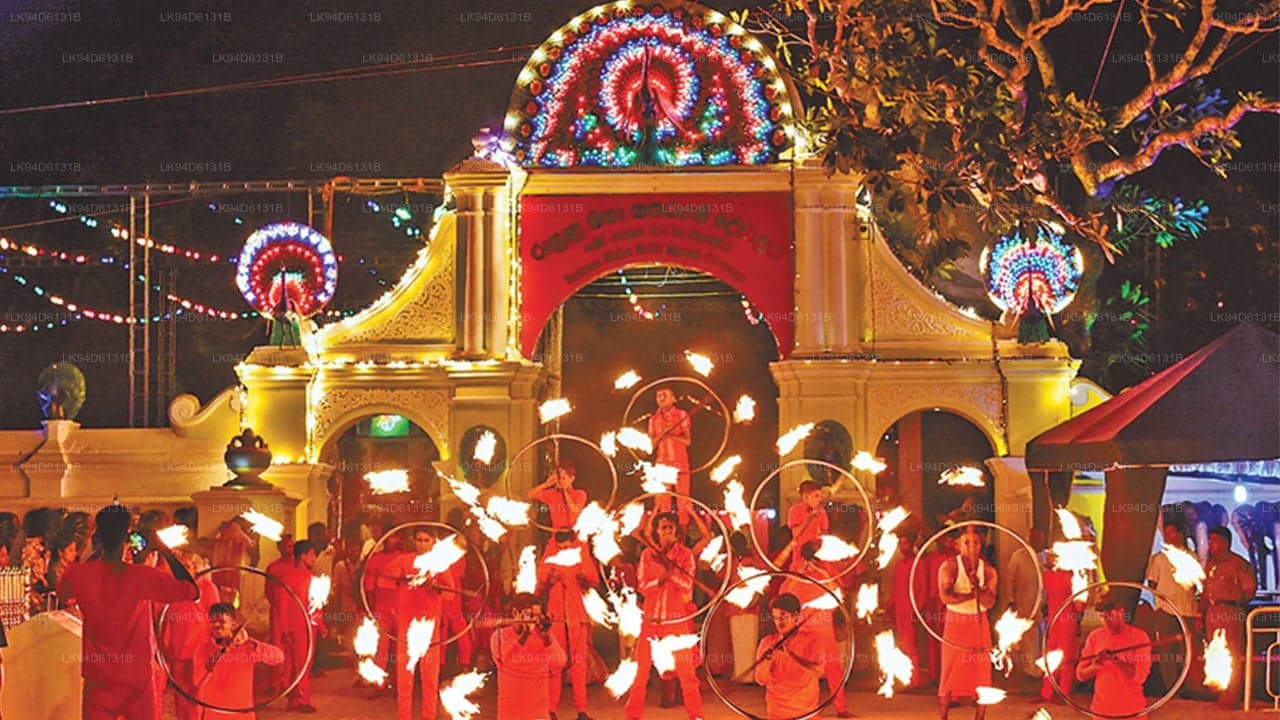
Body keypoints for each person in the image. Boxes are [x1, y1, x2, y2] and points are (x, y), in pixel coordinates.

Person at [57, 504, 199, 720]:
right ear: (127, 538)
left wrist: (95, 552)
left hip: (99, 678)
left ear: (97, 537)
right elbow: (191, 591)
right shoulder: (142, 577)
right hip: (137, 679)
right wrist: (164, 550)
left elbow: (63, 594)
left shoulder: (80, 574)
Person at [624, 512, 704, 720]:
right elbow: (642, 586)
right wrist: (661, 579)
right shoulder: (647, 555)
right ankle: (632, 716)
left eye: (670, 527)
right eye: (663, 527)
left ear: (676, 530)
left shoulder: (685, 555)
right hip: (651, 621)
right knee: (641, 672)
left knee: (687, 674)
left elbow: (687, 585)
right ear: (657, 531)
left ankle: (696, 716)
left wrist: (673, 574)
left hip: (676, 622)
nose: (667, 531)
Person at [384, 528, 452, 720]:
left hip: (430, 631)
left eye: (426, 540)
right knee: (404, 682)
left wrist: (436, 588)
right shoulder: (403, 561)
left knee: (430, 681)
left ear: (433, 542)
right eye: (419, 540)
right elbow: (384, 582)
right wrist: (403, 581)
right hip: (406, 629)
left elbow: (450, 594)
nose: (422, 544)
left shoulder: (440, 566)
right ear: (413, 541)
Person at [779, 542, 853, 718]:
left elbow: (838, 593)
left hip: (823, 628)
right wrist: (798, 575)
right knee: (805, 672)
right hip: (804, 631)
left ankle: (840, 708)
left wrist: (821, 572)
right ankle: (805, 709)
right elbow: (783, 595)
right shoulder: (796, 575)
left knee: (833, 668)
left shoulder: (825, 573)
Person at [937, 527, 996, 720]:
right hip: (955, 623)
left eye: (976, 543)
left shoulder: (988, 571)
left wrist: (979, 589)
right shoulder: (949, 567)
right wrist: (971, 594)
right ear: (958, 545)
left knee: (981, 671)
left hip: (979, 623)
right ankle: (944, 716)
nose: (972, 547)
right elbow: (946, 597)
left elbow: (990, 602)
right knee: (950, 669)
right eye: (967, 543)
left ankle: (979, 717)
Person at [539, 530, 598, 720]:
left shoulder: (582, 555)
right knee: (555, 665)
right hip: (556, 619)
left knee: (579, 664)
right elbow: (538, 588)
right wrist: (550, 580)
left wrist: (584, 579)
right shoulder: (549, 558)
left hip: (577, 619)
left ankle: (581, 711)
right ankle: (551, 710)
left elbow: (594, 583)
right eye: (560, 544)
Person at [190, 603, 285, 719]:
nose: (216, 625)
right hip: (214, 714)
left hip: (242, 714)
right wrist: (217, 656)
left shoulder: (248, 647)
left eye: (221, 621)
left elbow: (278, 657)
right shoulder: (203, 649)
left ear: (233, 624)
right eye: (212, 621)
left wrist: (253, 644)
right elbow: (197, 683)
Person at [1201, 525, 1255, 709]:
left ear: (1225, 543)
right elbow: (1205, 591)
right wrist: (1201, 614)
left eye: (1214, 540)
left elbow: (1249, 590)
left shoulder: (1238, 563)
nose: (1210, 544)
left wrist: (1233, 602)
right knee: (1214, 652)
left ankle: (1232, 696)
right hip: (1212, 612)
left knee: (1231, 653)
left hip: (1230, 612)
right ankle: (1220, 692)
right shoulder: (1210, 564)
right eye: (1209, 540)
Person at [1145, 521, 1202, 696]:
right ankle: (1172, 689)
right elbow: (1152, 582)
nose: (1169, 537)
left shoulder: (1192, 556)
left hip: (1187, 610)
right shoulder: (1159, 558)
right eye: (1166, 534)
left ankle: (1190, 687)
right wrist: (1160, 601)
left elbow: (1196, 585)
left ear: (1180, 534)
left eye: (1172, 533)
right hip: (1166, 610)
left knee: (1187, 650)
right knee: (1167, 650)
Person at [491, 592, 568, 720]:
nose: (535, 620)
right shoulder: (499, 636)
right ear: (515, 613)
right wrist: (524, 636)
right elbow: (506, 663)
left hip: (539, 713)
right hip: (510, 714)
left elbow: (560, 663)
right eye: (530, 615)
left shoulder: (544, 637)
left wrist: (547, 637)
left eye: (537, 616)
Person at [1076, 594, 1152, 719]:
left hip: (1132, 712)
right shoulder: (1095, 637)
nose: (1107, 621)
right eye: (1103, 617)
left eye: (1110, 616)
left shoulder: (1139, 637)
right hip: (1101, 712)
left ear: (1121, 612)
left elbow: (1140, 676)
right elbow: (1080, 675)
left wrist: (1115, 659)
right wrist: (1095, 667)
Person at [755, 593, 823, 719]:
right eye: (775, 618)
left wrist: (791, 655)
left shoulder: (812, 639)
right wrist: (766, 660)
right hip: (778, 712)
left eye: (783, 617)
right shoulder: (768, 642)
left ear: (795, 616)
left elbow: (818, 671)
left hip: (807, 712)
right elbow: (760, 680)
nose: (778, 622)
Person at [278, 541, 320, 713]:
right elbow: (283, 604)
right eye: (312, 554)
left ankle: (295, 699)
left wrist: (320, 624)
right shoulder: (290, 576)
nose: (315, 558)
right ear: (302, 556)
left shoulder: (311, 576)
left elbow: (314, 603)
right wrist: (285, 628)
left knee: (303, 664)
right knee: (300, 664)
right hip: (296, 627)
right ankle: (301, 700)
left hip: (310, 627)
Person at [648, 386, 692, 519]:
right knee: (662, 502)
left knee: (683, 501)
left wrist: (672, 436)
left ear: (673, 398)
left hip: (680, 462)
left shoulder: (682, 415)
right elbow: (650, 446)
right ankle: (663, 535)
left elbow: (688, 441)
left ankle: (682, 536)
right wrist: (660, 435)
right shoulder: (653, 420)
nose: (661, 398)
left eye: (664, 395)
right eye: (659, 396)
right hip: (662, 464)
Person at [1005, 528, 1044, 680]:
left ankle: (1038, 669)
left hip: (1038, 604)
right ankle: (1030, 671)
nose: (1038, 541)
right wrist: (1011, 600)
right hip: (1022, 603)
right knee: (1027, 638)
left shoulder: (1042, 557)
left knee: (1039, 637)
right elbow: (1009, 578)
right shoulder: (1019, 556)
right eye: (1035, 538)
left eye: (1040, 539)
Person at [726, 533, 763, 685]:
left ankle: (748, 676)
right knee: (739, 642)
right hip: (736, 607)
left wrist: (754, 601)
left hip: (749, 607)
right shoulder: (732, 562)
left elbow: (760, 584)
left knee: (747, 642)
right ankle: (741, 675)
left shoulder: (751, 562)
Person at [264, 535, 296, 696]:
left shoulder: (298, 566)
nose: (289, 550)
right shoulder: (273, 568)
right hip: (277, 612)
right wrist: (278, 606)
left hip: (295, 613)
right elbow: (268, 591)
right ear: (279, 547)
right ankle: (274, 682)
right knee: (276, 647)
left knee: (292, 648)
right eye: (286, 546)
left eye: (291, 546)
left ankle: (287, 683)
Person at [777, 481, 829, 568]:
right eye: (816, 496)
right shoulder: (794, 510)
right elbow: (796, 533)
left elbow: (825, 533)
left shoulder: (822, 512)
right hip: (799, 560)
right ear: (806, 497)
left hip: (817, 558)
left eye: (820, 496)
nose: (820, 499)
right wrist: (809, 519)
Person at [528, 461, 588, 531]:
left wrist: (564, 491)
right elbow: (530, 494)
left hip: (574, 537)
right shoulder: (552, 494)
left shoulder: (580, 494)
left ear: (572, 479)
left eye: (563, 478)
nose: (560, 481)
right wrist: (547, 484)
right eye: (558, 479)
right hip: (557, 537)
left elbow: (575, 510)